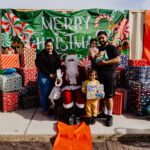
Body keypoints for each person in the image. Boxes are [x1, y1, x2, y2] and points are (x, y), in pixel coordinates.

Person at [93, 31, 120, 126]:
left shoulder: (111, 47)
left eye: (103, 38)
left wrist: (105, 63)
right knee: (101, 95)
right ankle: (103, 112)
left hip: (109, 76)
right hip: (99, 76)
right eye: (99, 38)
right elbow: (95, 62)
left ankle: (109, 116)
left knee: (109, 96)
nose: (101, 40)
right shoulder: (98, 49)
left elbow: (118, 59)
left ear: (106, 37)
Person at [35, 39, 61, 115]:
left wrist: (57, 74)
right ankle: (45, 109)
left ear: (53, 46)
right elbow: (40, 66)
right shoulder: (41, 55)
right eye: (48, 46)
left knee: (53, 93)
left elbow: (58, 64)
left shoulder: (55, 54)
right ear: (45, 46)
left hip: (54, 76)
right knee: (45, 93)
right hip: (44, 76)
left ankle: (52, 108)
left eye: (51, 46)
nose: (49, 47)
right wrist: (49, 74)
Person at [61, 54, 86, 125]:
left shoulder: (80, 69)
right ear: (66, 61)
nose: (71, 62)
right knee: (66, 96)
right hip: (67, 87)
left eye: (73, 60)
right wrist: (59, 79)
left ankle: (77, 115)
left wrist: (86, 70)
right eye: (69, 60)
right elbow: (60, 80)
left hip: (78, 86)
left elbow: (84, 78)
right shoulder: (63, 69)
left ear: (76, 61)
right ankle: (70, 115)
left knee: (80, 96)